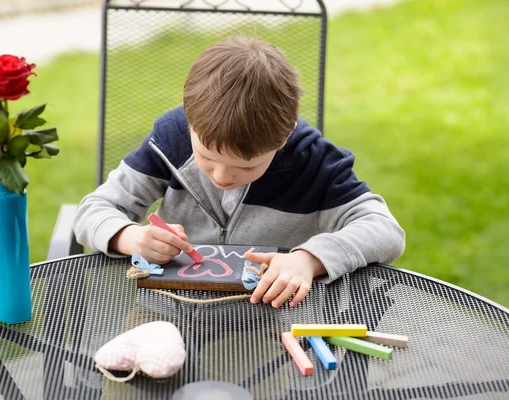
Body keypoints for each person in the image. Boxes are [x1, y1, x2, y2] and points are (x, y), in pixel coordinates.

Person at [74, 35, 405, 308]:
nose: (220, 177)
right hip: (166, 310)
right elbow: (93, 211)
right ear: (190, 121)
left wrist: (309, 259)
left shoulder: (315, 163)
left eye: (247, 166)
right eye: (205, 156)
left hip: (265, 320)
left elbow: (384, 231)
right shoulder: (171, 140)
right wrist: (133, 238)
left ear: (285, 135)